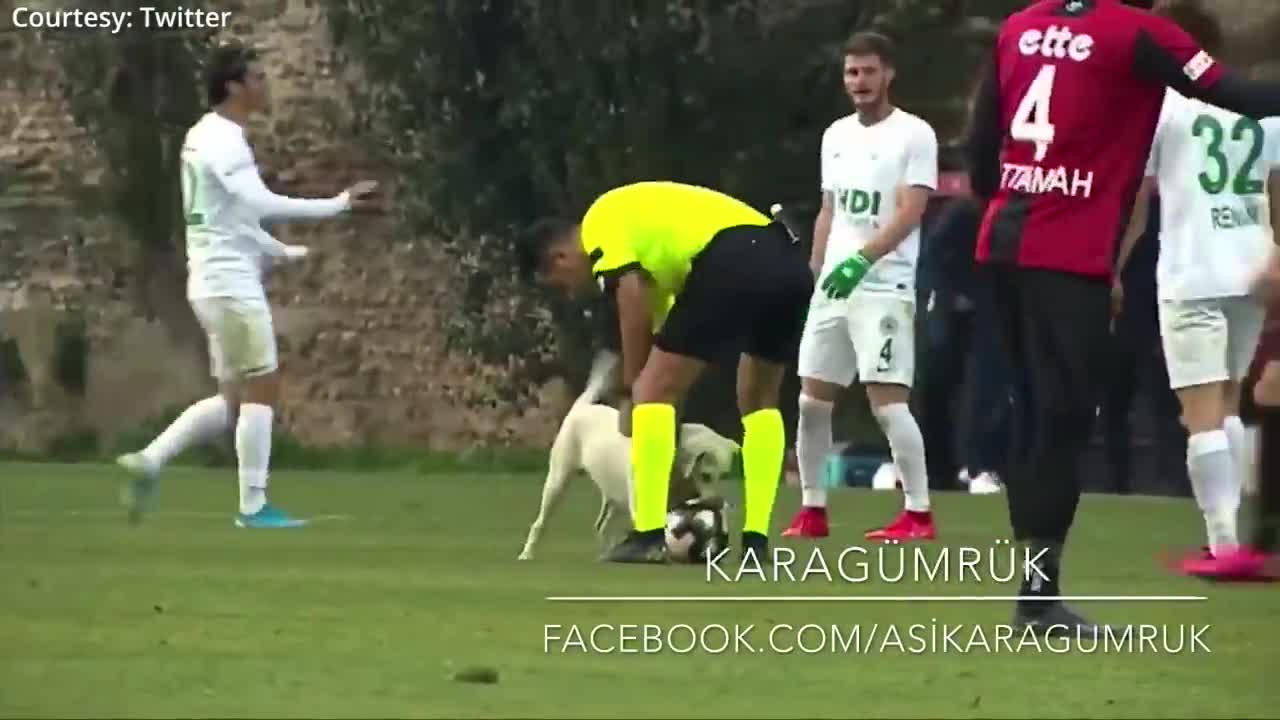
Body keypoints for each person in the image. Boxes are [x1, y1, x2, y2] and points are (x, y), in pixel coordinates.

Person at [966, 0, 1280, 634]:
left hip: (1001, 242)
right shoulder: (1138, 32)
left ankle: (1033, 593)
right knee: (1065, 420)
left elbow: (979, 151)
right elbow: (1239, 95)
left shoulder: (1020, 26)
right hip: (1069, 254)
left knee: (1034, 415)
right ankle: (1038, 601)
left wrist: (1027, 189)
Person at [116, 44, 378, 527]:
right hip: (229, 286)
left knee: (236, 400)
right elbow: (257, 202)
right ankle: (253, 506)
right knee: (264, 387)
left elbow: (230, 218)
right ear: (234, 87)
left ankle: (149, 461)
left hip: (213, 280)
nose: (266, 83)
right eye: (257, 76)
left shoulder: (202, 136)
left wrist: (281, 254)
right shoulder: (223, 140)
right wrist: (337, 204)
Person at [516, 181, 812, 563]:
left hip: (733, 259)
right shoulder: (657, 254)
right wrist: (655, 415)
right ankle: (756, 542)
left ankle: (649, 534)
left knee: (651, 392)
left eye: (560, 285)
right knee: (758, 402)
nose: (570, 293)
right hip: (787, 263)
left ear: (558, 258)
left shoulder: (600, 224)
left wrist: (630, 394)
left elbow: (632, 302)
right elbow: (669, 352)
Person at [1116, 0, 1280, 562]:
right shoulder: (1259, 106)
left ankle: (1223, 542)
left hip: (1192, 270)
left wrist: (1111, 267)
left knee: (1201, 411)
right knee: (1230, 401)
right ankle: (1239, 535)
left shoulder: (1160, 106)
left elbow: (1135, 200)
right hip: (1252, 266)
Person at [782, 32, 940, 541]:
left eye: (869, 72)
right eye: (852, 73)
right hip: (836, 282)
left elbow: (911, 210)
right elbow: (830, 209)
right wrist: (814, 270)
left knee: (888, 402)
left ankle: (918, 513)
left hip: (885, 281)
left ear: (888, 74)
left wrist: (863, 260)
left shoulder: (914, 134)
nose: (860, 82)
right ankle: (813, 509)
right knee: (810, 401)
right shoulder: (836, 135)